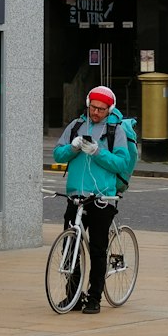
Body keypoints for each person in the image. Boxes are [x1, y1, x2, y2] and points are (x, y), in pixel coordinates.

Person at [51, 85, 132, 315]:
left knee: (97, 249)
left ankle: (94, 297)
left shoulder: (115, 131)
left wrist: (98, 151)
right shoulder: (76, 125)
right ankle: (73, 295)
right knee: (70, 247)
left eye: (101, 109)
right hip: (76, 196)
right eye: (93, 107)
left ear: (109, 109)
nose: (95, 112)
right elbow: (58, 154)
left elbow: (121, 163)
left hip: (101, 198)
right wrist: (73, 148)